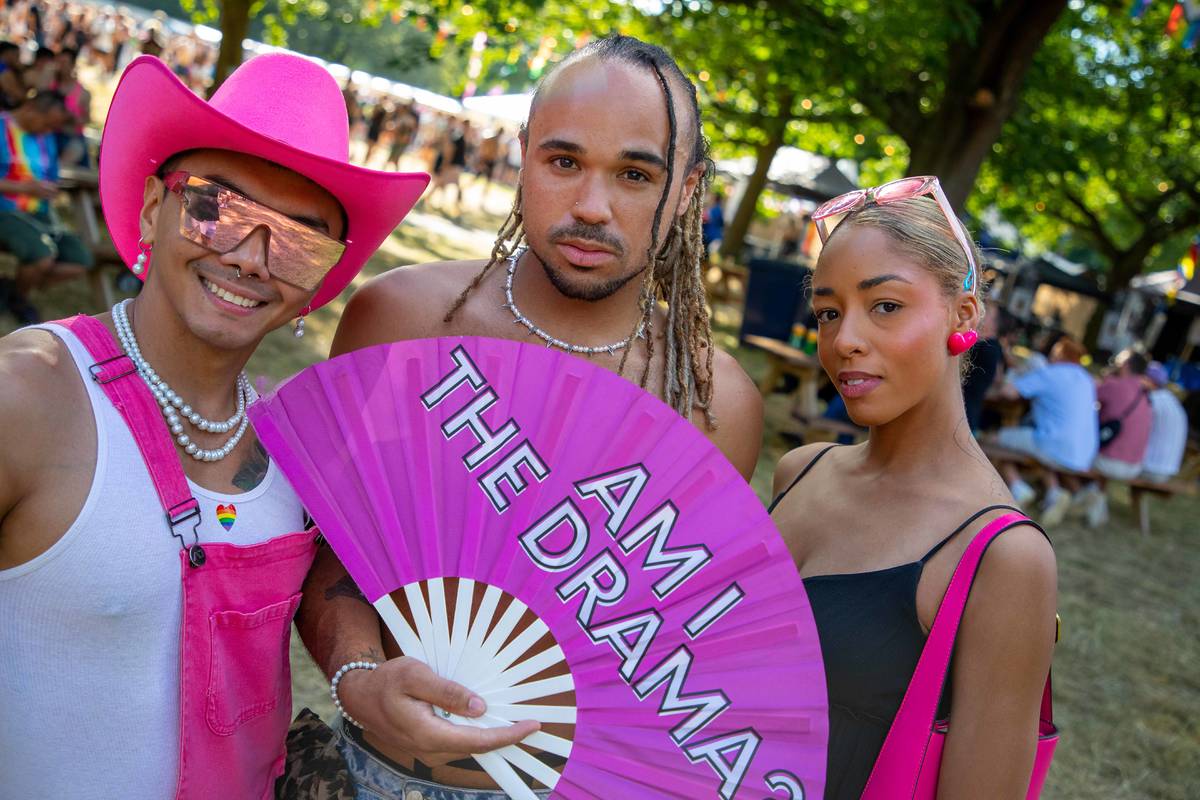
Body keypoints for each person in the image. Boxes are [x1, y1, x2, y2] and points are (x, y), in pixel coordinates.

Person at [288, 33, 766, 798]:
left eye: (636, 174)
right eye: (564, 161)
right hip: (370, 773)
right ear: (522, 153)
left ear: (686, 191)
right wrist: (357, 674)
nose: (591, 207)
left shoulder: (713, 405)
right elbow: (328, 555)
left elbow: (662, 650)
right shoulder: (401, 322)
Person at [0, 53, 428, 798]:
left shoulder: (296, 454)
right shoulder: (30, 395)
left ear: (318, 285)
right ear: (149, 211)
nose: (252, 256)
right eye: (215, 207)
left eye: (298, 239)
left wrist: (365, 678)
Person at [769, 179, 1056, 799]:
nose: (844, 338)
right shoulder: (800, 471)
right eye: (827, 311)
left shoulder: (1002, 558)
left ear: (964, 315)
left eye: (886, 306)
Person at [0, 89, 92, 324]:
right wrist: (24, 189)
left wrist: (50, 188)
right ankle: (19, 299)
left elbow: (51, 174)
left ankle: (12, 287)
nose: (47, 132)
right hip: (6, 211)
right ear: (31, 108)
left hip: (39, 212)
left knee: (80, 260)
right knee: (42, 256)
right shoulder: (2, 127)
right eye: (46, 125)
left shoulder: (45, 137)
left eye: (52, 128)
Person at [993, 336, 1099, 525]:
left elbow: (1009, 392)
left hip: (1054, 445)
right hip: (1085, 452)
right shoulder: (1087, 380)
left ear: (1058, 355)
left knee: (997, 440)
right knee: (1041, 448)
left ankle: (1019, 488)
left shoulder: (1051, 373)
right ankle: (1056, 493)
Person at [1074, 349, 1152, 527]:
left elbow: (1085, 396)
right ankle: (1094, 503)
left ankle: (1086, 501)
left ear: (1125, 365)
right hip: (1135, 465)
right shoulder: (1146, 393)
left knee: (1072, 454)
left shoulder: (1116, 385)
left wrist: (1105, 379)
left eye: (1117, 361)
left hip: (1111, 462)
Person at [962, 305, 1016, 432]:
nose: (980, 312)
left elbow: (997, 378)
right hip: (967, 415)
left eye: (986, 312)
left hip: (963, 416)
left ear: (994, 325)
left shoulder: (987, 347)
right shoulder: (993, 347)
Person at [1140, 361, 1188, 484]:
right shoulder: (1172, 401)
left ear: (1149, 380)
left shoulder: (1150, 399)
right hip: (1168, 470)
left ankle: (1094, 497)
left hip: (1150, 468)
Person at [0, 41, 25, 110]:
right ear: (8, 53)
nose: (18, 59)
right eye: (17, 55)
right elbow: (17, 94)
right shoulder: (4, 70)